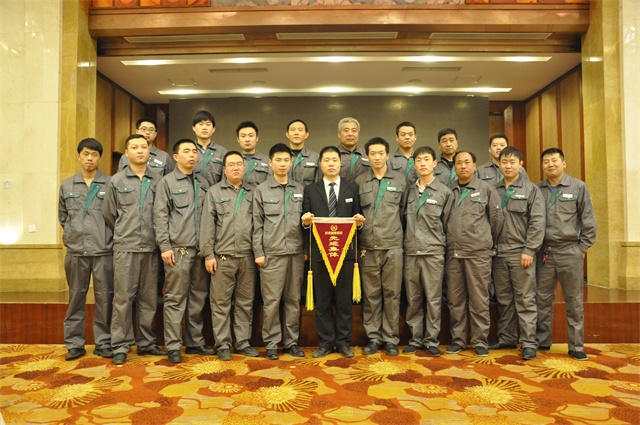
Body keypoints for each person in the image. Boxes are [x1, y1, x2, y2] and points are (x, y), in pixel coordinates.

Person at [103, 134, 166, 365]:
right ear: (127, 153)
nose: (140, 150)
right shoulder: (117, 181)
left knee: (149, 299)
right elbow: (109, 214)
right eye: (135, 147)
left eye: (144, 147)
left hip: (151, 248)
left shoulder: (159, 181)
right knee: (123, 299)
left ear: (150, 151)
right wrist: (125, 231)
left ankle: (146, 343)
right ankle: (120, 345)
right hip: (126, 248)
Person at [154, 139, 215, 364]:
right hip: (178, 249)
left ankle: (194, 342)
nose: (191, 155)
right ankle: (173, 345)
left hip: (201, 250)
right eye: (186, 151)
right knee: (175, 299)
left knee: (198, 297)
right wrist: (165, 246)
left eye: (194, 152)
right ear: (176, 157)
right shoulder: (167, 182)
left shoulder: (203, 181)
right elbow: (160, 215)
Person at [301, 146, 365, 358]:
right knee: (323, 301)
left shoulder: (352, 188)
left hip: (345, 253)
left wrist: (359, 222)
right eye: (326, 160)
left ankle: (344, 343)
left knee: (344, 301)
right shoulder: (311, 190)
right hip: (319, 255)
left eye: (334, 160)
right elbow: (305, 222)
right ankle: (326, 342)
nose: (331, 163)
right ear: (320, 164)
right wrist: (306, 222)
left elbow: (358, 218)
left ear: (340, 163)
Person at [536, 148, 596, 361]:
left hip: (570, 251)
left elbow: (588, 220)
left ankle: (576, 345)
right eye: (546, 161)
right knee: (542, 299)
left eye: (554, 160)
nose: (550, 164)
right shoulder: (537, 189)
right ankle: (542, 341)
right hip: (545, 253)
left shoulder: (578, 187)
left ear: (564, 163)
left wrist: (582, 248)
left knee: (574, 301)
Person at [200, 151, 260, 361]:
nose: (236, 168)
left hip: (247, 257)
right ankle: (223, 344)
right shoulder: (214, 192)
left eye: (239, 164)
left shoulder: (254, 192)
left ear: (245, 168)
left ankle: (242, 343)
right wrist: (208, 254)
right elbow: (207, 225)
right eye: (231, 165)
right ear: (224, 169)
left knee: (245, 303)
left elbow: (259, 225)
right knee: (220, 304)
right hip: (222, 257)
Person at [58, 138, 114, 361]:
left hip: (103, 251)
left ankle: (104, 342)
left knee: (105, 299)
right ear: (78, 156)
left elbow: (116, 216)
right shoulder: (67, 186)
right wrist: (74, 234)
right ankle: (74, 344)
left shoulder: (110, 184)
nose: (90, 158)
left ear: (100, 158)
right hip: (76, 252)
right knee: (75, 298)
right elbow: (63, 216)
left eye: (94, 155)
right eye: (86, 154)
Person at [445, 151, 503, 357]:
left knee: (479, 300)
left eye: (467, 162)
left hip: (478, 254)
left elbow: (496, 220)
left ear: (474, 165)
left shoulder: (486, 189)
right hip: (454, 255)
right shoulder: (448, 191)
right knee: (455, 300)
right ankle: (458, 340)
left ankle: (480, 341)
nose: (463, 166)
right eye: (459, 163)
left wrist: (483, 241)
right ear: (454, 167)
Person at [490, 147, 545, 361]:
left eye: (512, 162)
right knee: (503, 299)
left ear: (521, 164)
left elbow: (537, 222)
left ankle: (529, 343)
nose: (508, 166)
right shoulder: (493, 189)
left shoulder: (531, 190)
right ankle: (506, 337)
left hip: (521, 253)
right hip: (498, 254)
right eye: (504, 162)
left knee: (525, 299)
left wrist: (530, 249)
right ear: (499, 164)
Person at [354, 137, 408, 356]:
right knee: (371, 295)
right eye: (372, 153)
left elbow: (404, 212)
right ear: (367, 156)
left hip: (393, 246)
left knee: (392, 294)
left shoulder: (400, 180)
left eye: (381, 153)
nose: (377, 157)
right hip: (368, 246)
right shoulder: (360, 181)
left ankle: (391, 338)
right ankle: (374, 337)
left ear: (387, 155)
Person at [253, 143, 306, 360]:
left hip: (296, 254)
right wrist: (258, 252)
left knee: (293, 300)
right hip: (272, 254)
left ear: (291, 163)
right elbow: (256, 224)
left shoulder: (300, 189)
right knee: (272, 301)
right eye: (278, 160)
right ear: (270, 162)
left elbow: (306, 224)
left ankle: (291, 342)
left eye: (286, 160)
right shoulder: (261, 190)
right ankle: (272, 343)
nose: (283, 164)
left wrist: (305, 250)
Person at [403, 146, 453, 357]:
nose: (422, 163)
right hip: (411, 252)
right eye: (418, 160)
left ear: (435, 163)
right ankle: (415, 339)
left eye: (426, 159)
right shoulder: (409, 191)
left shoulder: (444, 192)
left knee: (433, 299)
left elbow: (448, 225)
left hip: (433, 253)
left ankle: (431, 340)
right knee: (413, 298)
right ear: (414, 165)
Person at [193, 110, 228, 188]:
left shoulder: (222, 152)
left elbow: (226, 179)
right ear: (193, 128)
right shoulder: (188, 150)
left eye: (208, 124)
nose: (204, 128)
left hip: (215, 193)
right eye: (201, 124)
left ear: (213, 129)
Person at [286, 119, 321, 187]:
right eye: (293, 130)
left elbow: (319, 183)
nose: (296, 133)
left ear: (306, 134)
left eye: (300, 130)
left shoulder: (316, 157)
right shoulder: (281, 157)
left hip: (308, 193)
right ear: (287, 134)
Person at [237, 121, 270, 188]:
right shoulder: (233, 160)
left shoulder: (266, 160)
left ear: (257, 138)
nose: (247, 139)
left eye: (251, 136)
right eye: (243, 136)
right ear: (238, 139)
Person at [337, 117, 370, 182]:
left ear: (358, 134)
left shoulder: (367, 154)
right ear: (339, 134)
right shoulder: (332, 155)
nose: (350, 134)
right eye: (346, 130)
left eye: (354, 131)